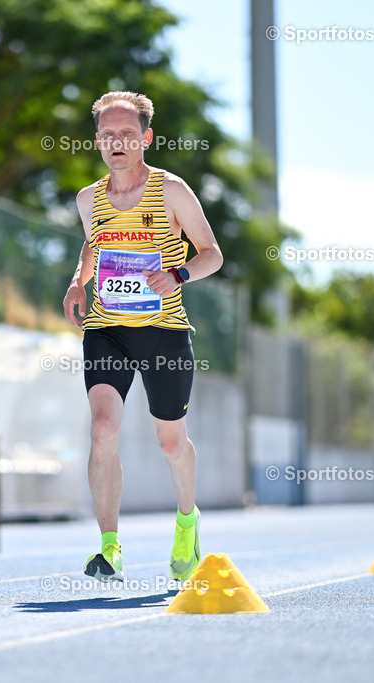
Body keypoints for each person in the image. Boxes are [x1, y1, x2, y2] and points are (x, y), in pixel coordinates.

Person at [63, 91, 224, 582]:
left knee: (171, 441)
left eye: (127, 134)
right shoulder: (88, 199)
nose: (117, 142)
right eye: (108, 134)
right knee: (103, 429)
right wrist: (77, 281)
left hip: (163, 331)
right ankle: (109, 548)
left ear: (145, 139)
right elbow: (94, 248)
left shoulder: (173, 191)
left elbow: (212, 253)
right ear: (97, 141)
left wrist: (177, 275)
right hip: (107, 328)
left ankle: (186, 523)